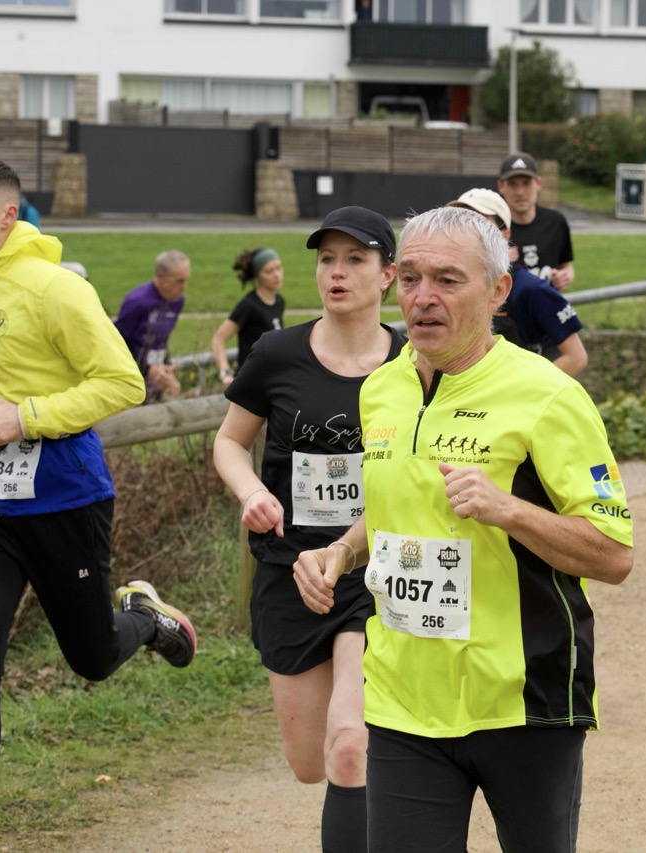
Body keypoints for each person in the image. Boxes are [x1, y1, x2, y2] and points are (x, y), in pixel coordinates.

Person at [291, 205, 633, 850]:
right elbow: (393, 504)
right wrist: (341, 551)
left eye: (448, 280)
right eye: (411, 278)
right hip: (402, 700)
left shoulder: (548, 396)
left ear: (498, 291)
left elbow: (614, 555)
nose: (423, 297)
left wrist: (509, 510)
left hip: (522, 698)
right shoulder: (381, 389)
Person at [0, 157, 196, 853]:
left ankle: (145, 618)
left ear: (7, 214)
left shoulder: (54, 289)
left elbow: (122, 381)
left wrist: (26, 417)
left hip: (64, 502)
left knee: (93, 657)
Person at [213, 207, 403, 853]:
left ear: (388, 274)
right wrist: (253, 493)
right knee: (309, 761)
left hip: (373, 574)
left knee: (350, 744)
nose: (337, 272)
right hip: (288, 573)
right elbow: (229, 443)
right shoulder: (277, 354)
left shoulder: (412, 365)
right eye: (327, 260)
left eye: (355, 259)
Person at [447, 187, 588, 376]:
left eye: (478, 222)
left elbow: (576, 357)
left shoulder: (530, 288)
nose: (466, 230)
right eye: (459, 221)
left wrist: (521, 389)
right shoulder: (446, 286)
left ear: (504, 235)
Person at [113, 250, 190, 401]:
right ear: (161, 277)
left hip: (155, 380)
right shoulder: (138, 301)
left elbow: (161, 339)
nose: (184, 287)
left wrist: (167, 367)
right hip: (130, 379)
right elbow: (116, 343)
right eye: (179, 281)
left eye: (186, 281)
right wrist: (147, 369)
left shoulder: (177, 301)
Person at [497, 152, 576, 291]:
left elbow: (566, 266)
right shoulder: (493, 227)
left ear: (538, 184)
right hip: (507, 306)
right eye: (512, 184)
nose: (520, 192)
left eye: (526, 183)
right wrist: (498, 261)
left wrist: (564, 277)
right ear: (501, 186)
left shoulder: (556, 222)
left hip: (546, 305)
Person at [211, 247, 286, 386]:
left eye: (278, 268)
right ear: (257, 275)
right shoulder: (249, 305)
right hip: (249, 383)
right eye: (269, 271)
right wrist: (225, 374)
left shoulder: (279, 302)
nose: (277, 275)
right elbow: (219, 338)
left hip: (272, 381)